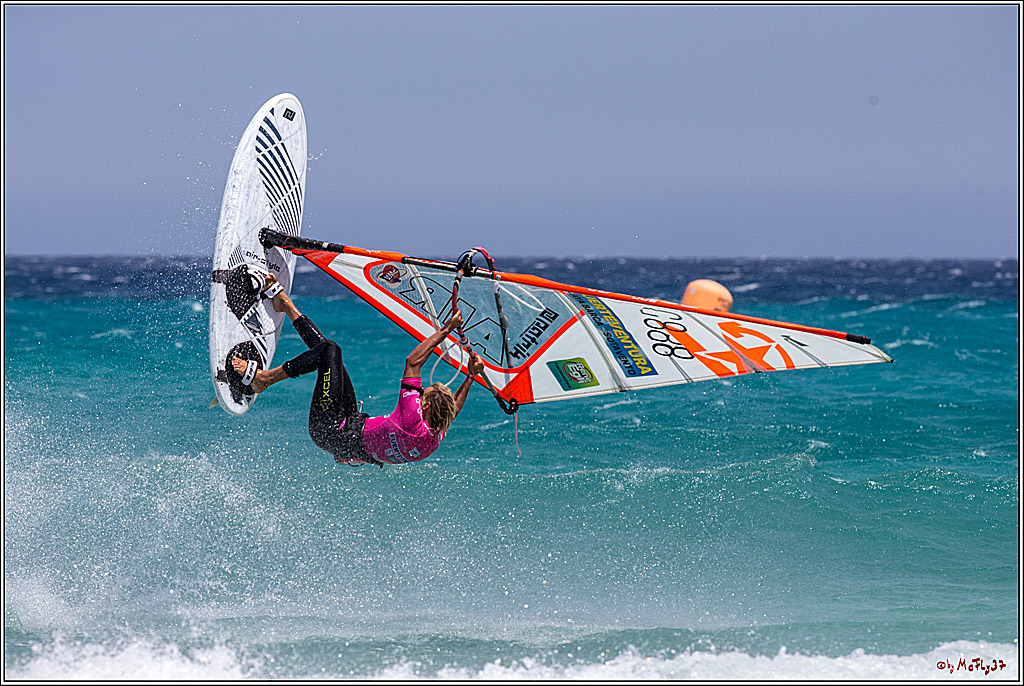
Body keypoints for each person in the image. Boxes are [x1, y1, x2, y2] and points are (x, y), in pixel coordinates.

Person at [232, 273, 485, 466]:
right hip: (348, 430)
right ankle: (284, 304)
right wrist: (471, 376)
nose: (418, 397)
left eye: (422, 397)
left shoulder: (413, 420)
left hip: (329, 429)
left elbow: (413, 362)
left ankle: (262, 380)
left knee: (330, 350)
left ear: (426, 407)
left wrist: (448, 329)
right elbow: (454, 409)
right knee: (329, 356)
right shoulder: (432, 437)